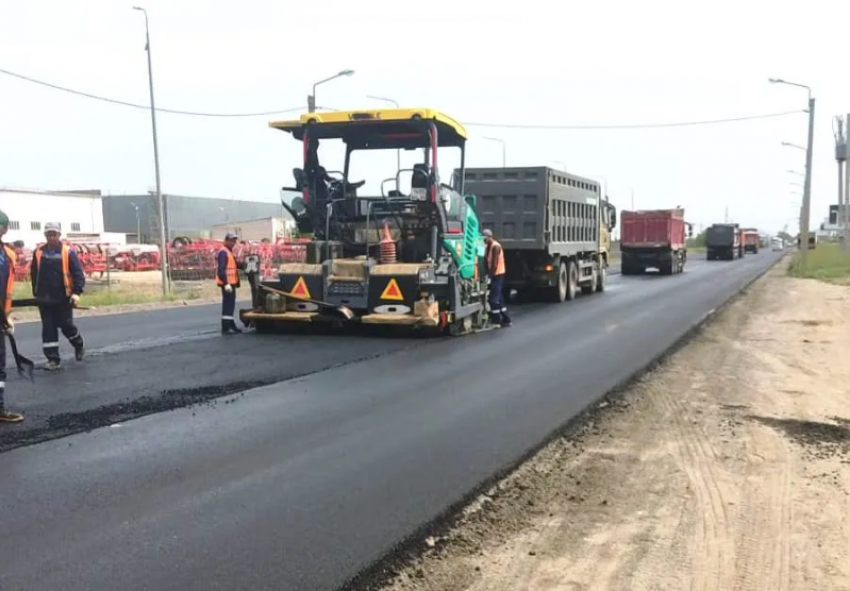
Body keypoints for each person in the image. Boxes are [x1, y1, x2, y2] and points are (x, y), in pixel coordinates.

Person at [30, 222, 86, 370]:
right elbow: (34, 274)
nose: (51, 237)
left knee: (66, 326)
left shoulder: (68, 252)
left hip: (63, 297)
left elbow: (77, 274)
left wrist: (76, 293)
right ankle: (53, 359)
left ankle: (79, 344)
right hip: (44, 298)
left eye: (54, 234)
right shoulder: (38, 253)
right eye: (49, 235)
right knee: (48, 328)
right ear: (45, 236)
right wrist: (35, 293)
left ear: (59, 235)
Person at [0, 209, 24, 422]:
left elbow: (6, 288)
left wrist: (6, 315)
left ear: (5, 229)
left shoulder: (8, 254)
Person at [483, 229, 511, 327]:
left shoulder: (495, 247)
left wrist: (490, 277)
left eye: (485, 237)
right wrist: (486, 273)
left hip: (498, 275)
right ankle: (506, 319)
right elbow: (487, 262)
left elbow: (494, 264)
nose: (484, 240)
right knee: (499, 298)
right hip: (494, 275)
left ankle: (496, 320)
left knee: (493, 299)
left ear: (490, 237)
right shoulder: (488, 247)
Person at [216, 232, 244, 335]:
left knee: (230, 305)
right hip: (227, 284)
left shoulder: (229, 251)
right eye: (231, 240)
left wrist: (248, 265)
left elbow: (236, 265)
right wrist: (226, 284)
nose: (233, 243)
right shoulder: (223, 252)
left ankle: (231, 325)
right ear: (226, 240)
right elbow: (221, 270)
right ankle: (226, 328)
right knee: (228, 305)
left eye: (234, 241)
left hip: (231, 283)